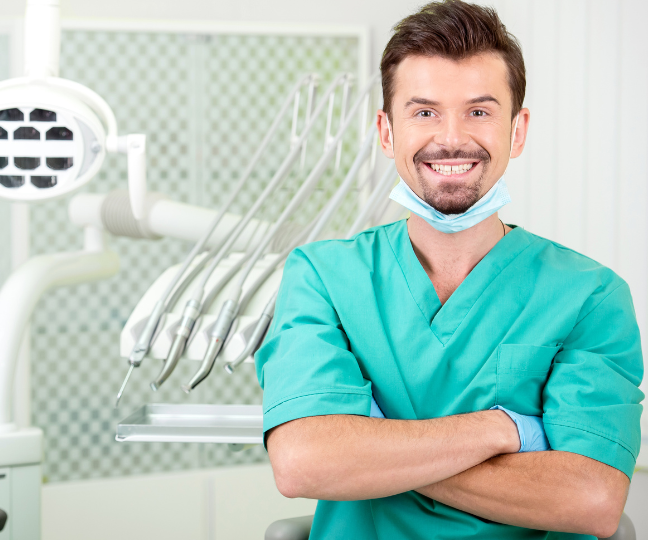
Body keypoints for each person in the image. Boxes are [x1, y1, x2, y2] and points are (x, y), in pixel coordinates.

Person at [256, 1, 644, 538]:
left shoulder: (589, 296)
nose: (452, 138)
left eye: (479, 112)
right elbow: (304, 463)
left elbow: (590, 498)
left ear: (518, 130)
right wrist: (502, 429)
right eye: (424, 113)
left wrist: (373, 448)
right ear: (387, 132)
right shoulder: (324, 277)